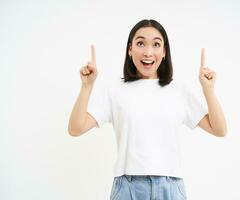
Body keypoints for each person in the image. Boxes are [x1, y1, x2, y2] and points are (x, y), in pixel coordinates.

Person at [68, 19, 227, 200]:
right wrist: (87, 86)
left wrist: (208, 89)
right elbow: (75, 128)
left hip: (170, 187)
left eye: (156, 44)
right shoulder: (115, 91)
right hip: (127, 188)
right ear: (130, 49)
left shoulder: (178, 91)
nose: (148, 52)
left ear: (164, 52)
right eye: (140, 43)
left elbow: (219, 129)